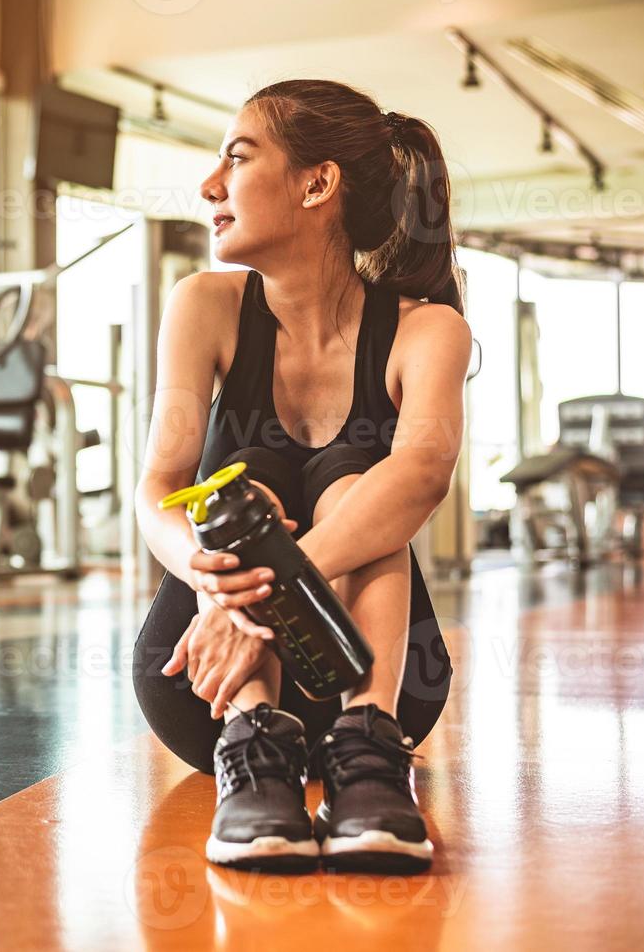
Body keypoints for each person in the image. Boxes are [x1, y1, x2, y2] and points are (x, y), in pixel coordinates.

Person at [132, 79, 471, 875]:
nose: (210, 184)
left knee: (363, 485)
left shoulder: (428, 330)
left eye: (238, 158)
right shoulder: (203, 306)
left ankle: (369, 746)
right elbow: (156, 491)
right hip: (206, 681)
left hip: (386, 680)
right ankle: (256, 748)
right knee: (240, 487)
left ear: (317, 184)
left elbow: (423, 474)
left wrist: (275, 581)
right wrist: (222, 588)